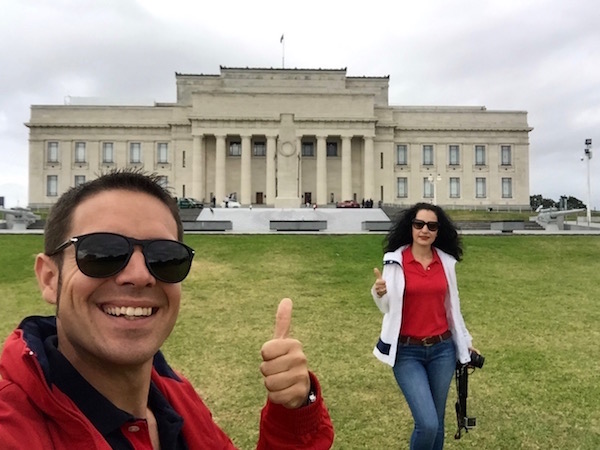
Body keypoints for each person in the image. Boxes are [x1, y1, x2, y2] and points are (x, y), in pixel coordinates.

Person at [0, 169, 334, 449]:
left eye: (164, 257)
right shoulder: (12, 428)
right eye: (102, 253)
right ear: (49, 278)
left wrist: (293, 411)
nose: (139, 275)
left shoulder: (175, 398)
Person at [371, 202, 477, 450]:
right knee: (427, 423)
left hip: (442, 350)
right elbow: (386, 306)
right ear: (411, 227)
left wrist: (466, 342)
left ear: (438, 231)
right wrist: (379, 292)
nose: (424, 230)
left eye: (431, 226)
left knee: (437, 422)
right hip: (407, 352)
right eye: (419, 224)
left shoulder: (445, 263)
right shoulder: (396, 261)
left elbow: (452, 308)